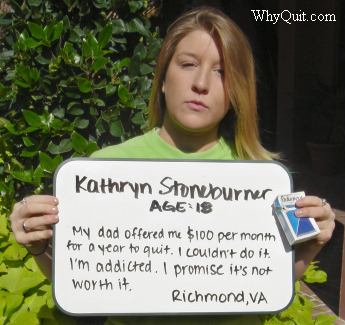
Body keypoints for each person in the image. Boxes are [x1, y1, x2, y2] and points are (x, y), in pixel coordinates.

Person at [9, 6, 335, 325]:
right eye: (188, 64)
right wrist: (40, 247)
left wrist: (312, 245)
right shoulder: (104, 170)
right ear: (163, 78)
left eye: (221, 71)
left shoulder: (262, 179)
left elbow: (263, 283)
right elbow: (85, 284)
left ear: (237, 90)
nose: (201, 83)